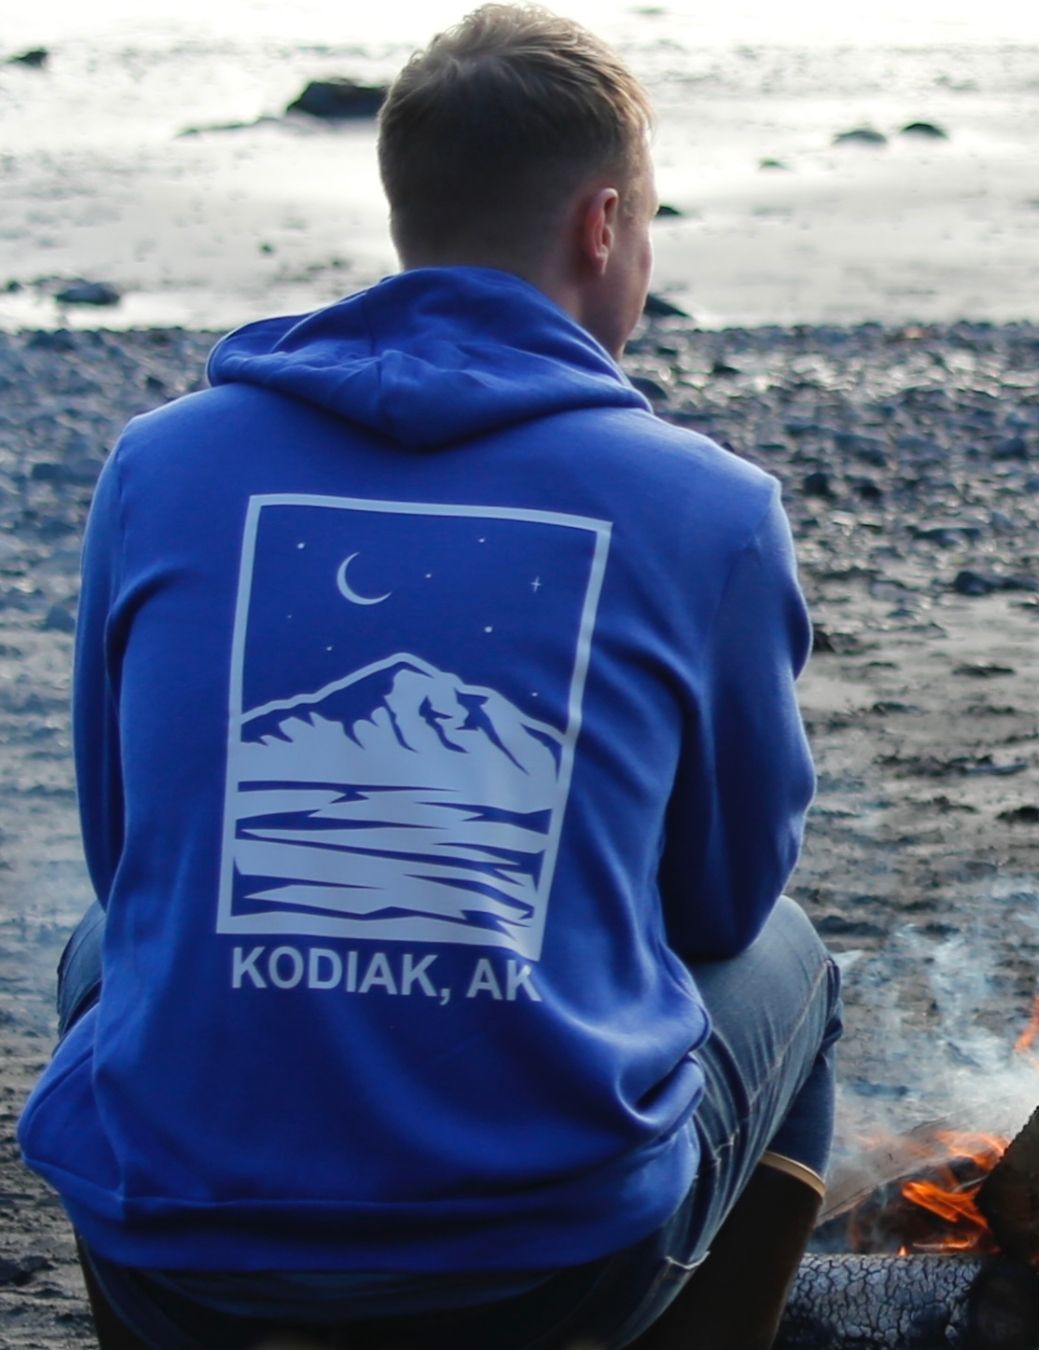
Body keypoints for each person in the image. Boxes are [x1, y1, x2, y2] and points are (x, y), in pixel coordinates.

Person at [19, 6, 841, 1348]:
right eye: (650, 226)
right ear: (601, 225)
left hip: (173, 1258)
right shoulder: (712, 508)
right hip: (544, 1270)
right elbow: (724, 896)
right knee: (794, 957)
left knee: (117, 945)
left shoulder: (156, 465)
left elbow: (135, 859)